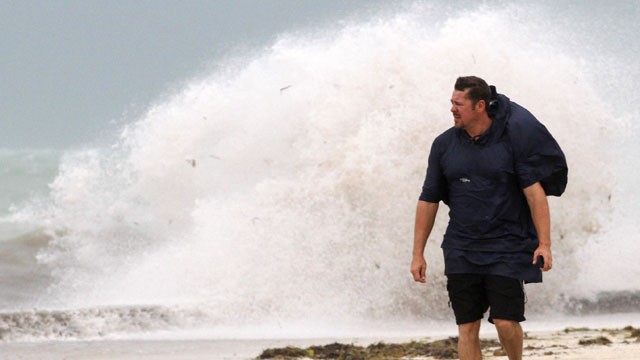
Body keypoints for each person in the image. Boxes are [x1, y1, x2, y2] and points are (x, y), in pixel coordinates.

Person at [410, 76, 567, 360]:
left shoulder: (511, 142)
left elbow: (535, 194)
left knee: (506, 322)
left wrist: (544, 243)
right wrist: (417, 253)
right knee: (467, 327)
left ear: (479, 106)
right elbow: (428, 199)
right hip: (461, 247)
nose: (452, 109)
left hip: (508, 245)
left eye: (459, 104)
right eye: (451, 103)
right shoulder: (444, 145)